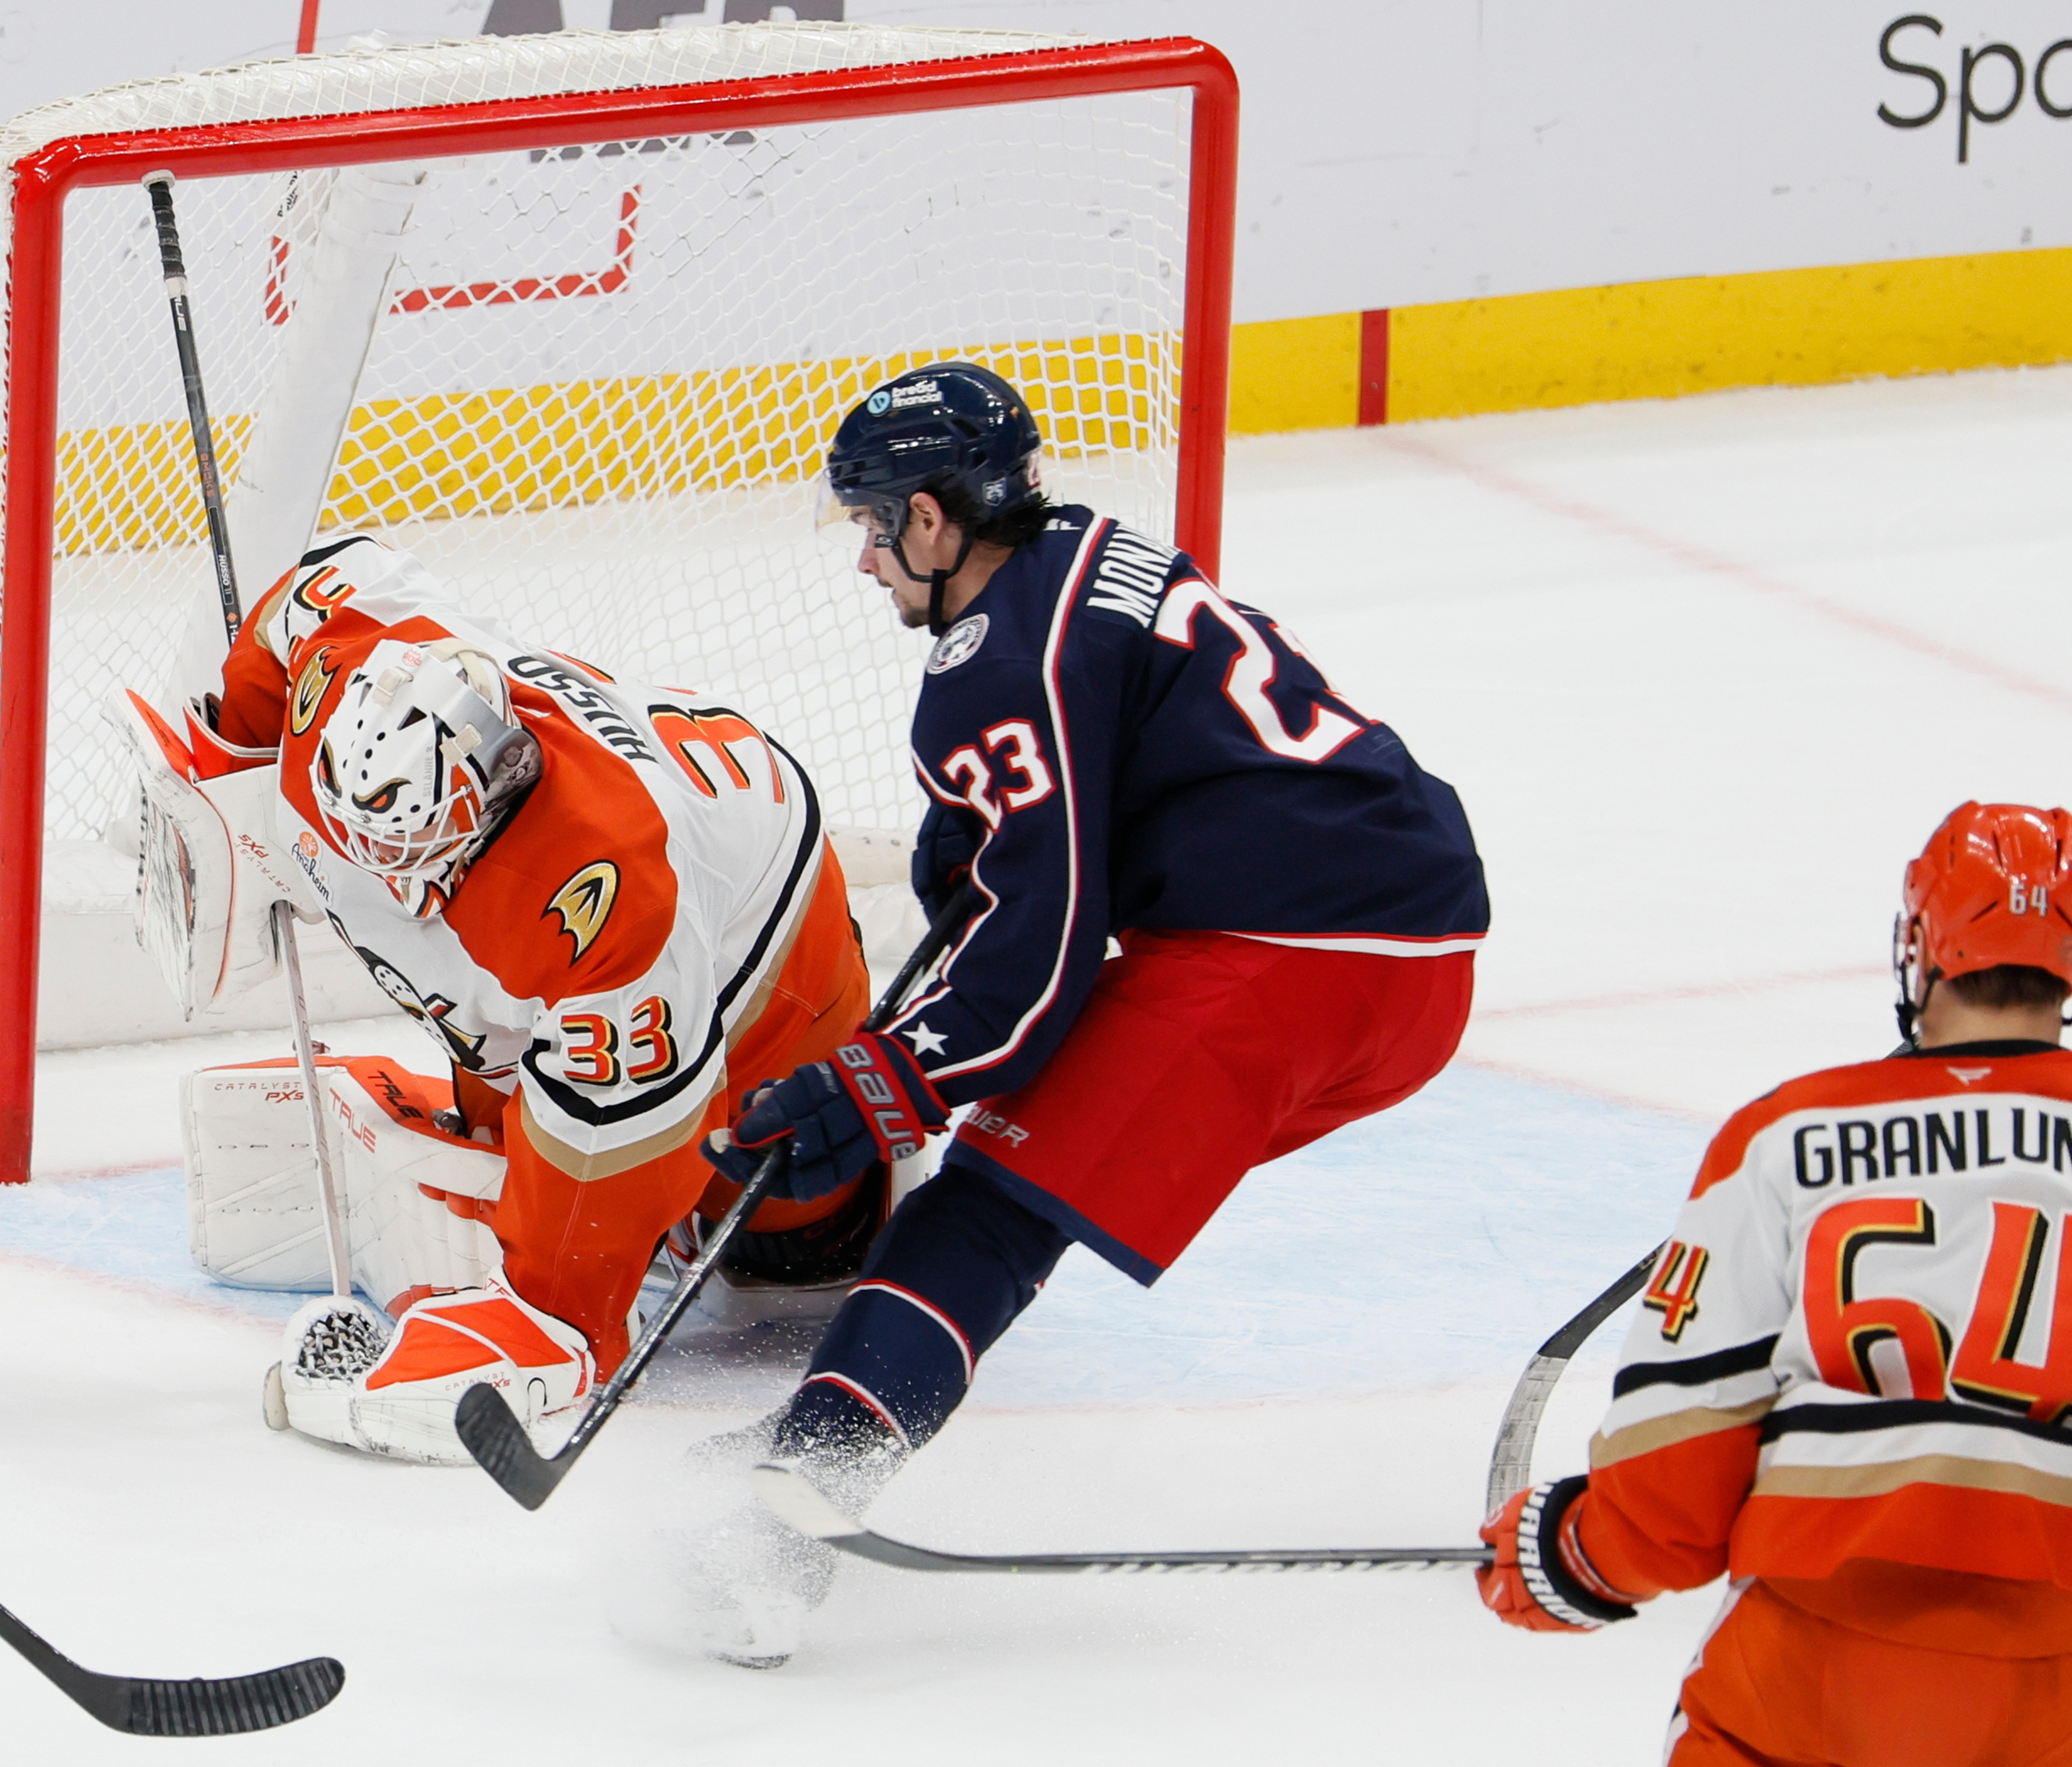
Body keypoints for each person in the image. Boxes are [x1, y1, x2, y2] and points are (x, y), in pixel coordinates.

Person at [692, 361, 1489, 1659]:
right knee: (1035, 1167)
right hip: (1406, 952)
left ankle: (794, 1507)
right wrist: (976, 845)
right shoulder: (1090, 551)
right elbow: (1094, 747)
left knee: (992, 1197)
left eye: (870, 523)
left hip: (1294, 960)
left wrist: (875, 1081)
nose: (866, 558)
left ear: (935, 520)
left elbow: (1036, 975)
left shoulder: (987, 666)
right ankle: (842, 1416)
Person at [138, 533, 874, 1462]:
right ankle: (508, 1147)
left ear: (495, 787)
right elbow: (310, 592)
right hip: (639, 853)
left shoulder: (604, 889)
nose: (393, 890)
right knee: (506, 1086)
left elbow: (627, 1130)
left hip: (771, 947)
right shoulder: (352, 653)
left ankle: (782, 1218)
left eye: (417, 858)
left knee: (794, 1248)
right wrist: (238, 742)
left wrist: (552, 1314)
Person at [1479, 800, 2072, 1765]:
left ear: (1920, 949)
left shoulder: (1788, 1133)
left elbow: (1683, 1456)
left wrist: (1573, 1555)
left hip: (1806, 1658)